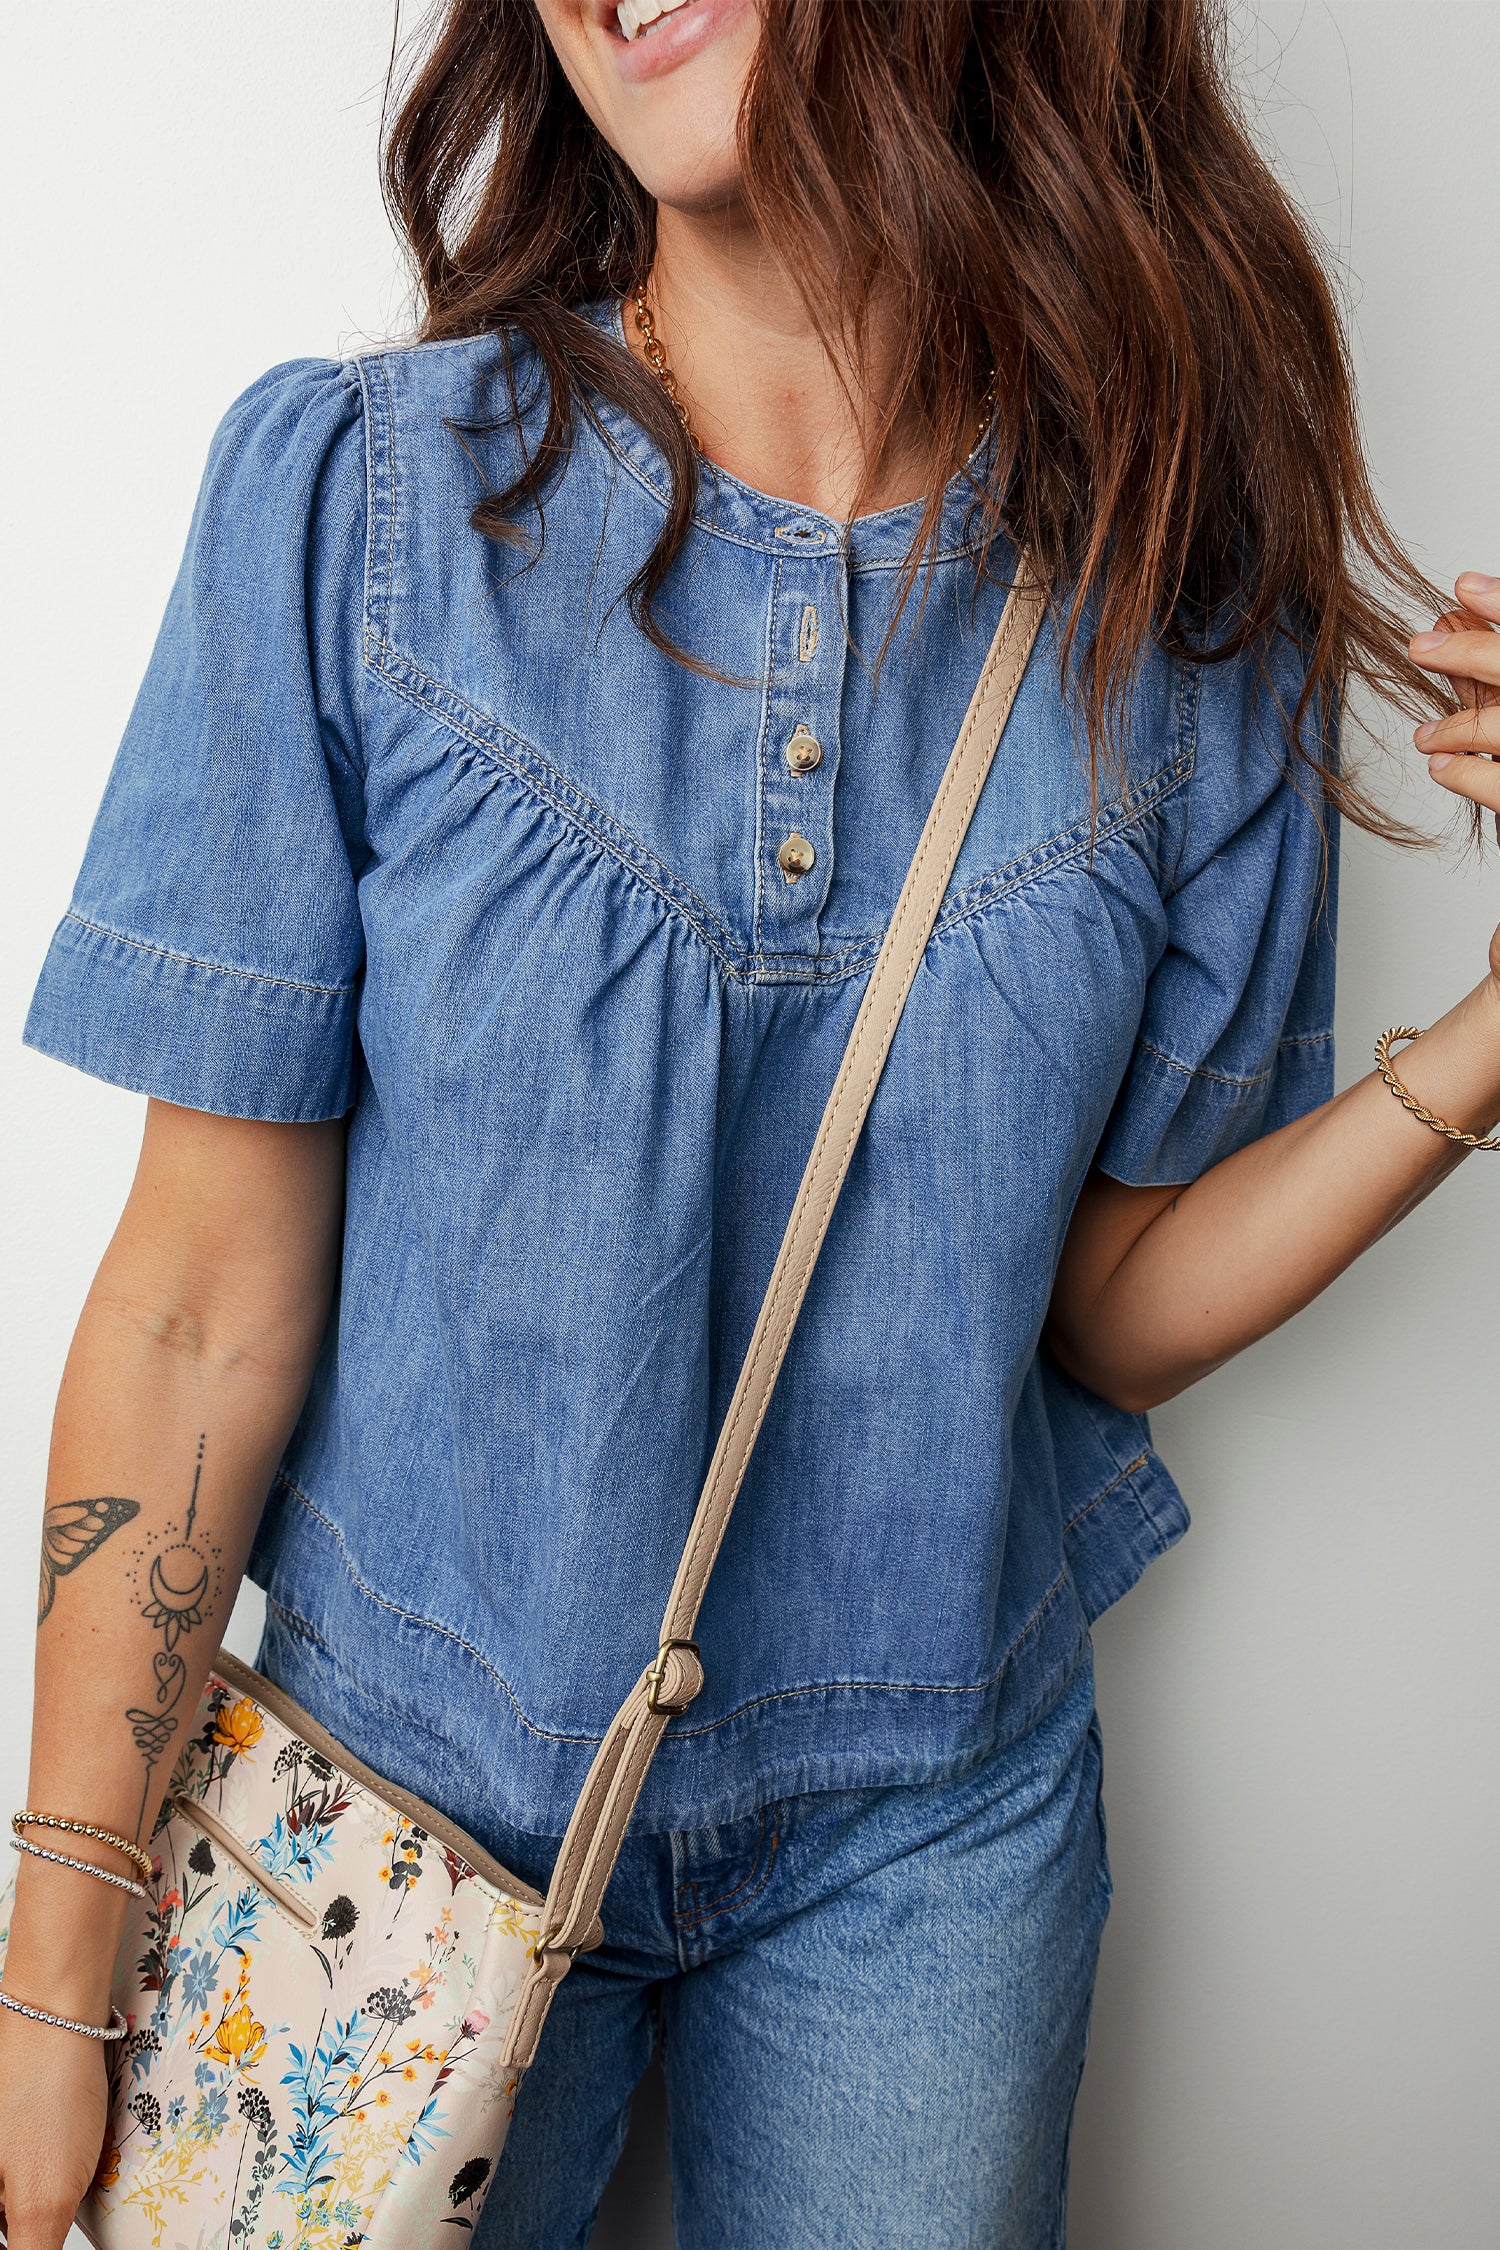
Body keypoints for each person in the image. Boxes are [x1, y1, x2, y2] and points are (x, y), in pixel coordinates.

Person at [1, 3, 1497, 2245]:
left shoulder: (1178, 604)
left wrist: (1492, 1034)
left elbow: (1109, 1304)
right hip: (388, 1828)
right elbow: (199, 1305)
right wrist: (56, 1974)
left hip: (932, 1826)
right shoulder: (366, 507)